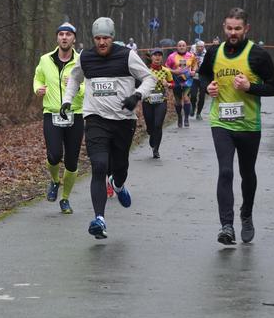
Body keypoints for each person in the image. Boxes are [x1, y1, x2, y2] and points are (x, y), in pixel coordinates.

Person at [61, 17, 155, 239]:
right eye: (98, 38)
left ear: (112, 38)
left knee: (120, 167)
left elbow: (149, 79)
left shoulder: (127, 56)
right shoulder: (86, 57)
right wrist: (67, 100)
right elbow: (74, 79)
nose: (102, 42)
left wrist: (137, 95)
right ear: (93, 39)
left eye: (106, 38)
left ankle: (118, 184)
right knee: (99, 165)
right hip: (96, 119)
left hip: (123, 121)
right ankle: (99, 220)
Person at [199, 7, 274, 245]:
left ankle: (246, 214)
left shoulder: (258, 55)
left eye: (237, 29)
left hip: (248, 125)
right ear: (224, 27)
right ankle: (226, 226)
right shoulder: (214, 52)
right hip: (221, 122)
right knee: (225, 171)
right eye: (229, 28)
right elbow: (202, 75)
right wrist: (207, 88)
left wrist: (250, 88)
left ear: (246, 28)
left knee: (247, 173)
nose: (232, 33)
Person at [33, 22, 85, 214]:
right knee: (54, 155)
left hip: (75, 114)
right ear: (57, 38)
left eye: (68, 35)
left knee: (72, 161)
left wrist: (77, 87)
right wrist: (37, 88)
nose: (64, 37)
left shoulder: (81, 62)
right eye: (61, 34)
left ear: (74, 39)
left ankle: (65, 199)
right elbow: (37, 77)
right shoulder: (45, 60)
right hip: (52, 113)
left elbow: (88, 86)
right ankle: (55, 181)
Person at [143, 48, 174, 159]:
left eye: (159, 55)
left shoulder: (166, 71)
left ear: (162, 58)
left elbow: (172, 84)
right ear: (151, 57)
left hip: (161, 100)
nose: (157, 57)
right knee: (150, 126)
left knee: (158, 125)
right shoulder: (145, 70)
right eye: (155, 55)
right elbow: (139, 83)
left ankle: (156, 149)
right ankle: (151, 134)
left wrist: (168, 85)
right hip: (147, 101)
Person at [166, 40, 197, 127]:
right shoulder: (171, 56)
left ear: (186, 47)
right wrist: (174, 71)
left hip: (188, 81)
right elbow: (166, 68)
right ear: (177, 47)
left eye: (183, 45)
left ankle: (186, 118)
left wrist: (194, 71)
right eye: (179, 45)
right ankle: (179, 116)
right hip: (176, 80)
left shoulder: (191, 55)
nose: (181, 47)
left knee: (186, 98)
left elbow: (195, 64)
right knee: (178, 102)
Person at [190, 40, 207, 120]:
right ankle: (193, 107)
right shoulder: (191, 54)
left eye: (201, 47)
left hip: (203, 78)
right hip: (194, 78)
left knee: (202, 96)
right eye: (198, 46)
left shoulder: (206, 54)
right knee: (193, 95)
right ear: (196, 46)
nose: (200, 48)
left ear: (204, 47)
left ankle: (199, 113)